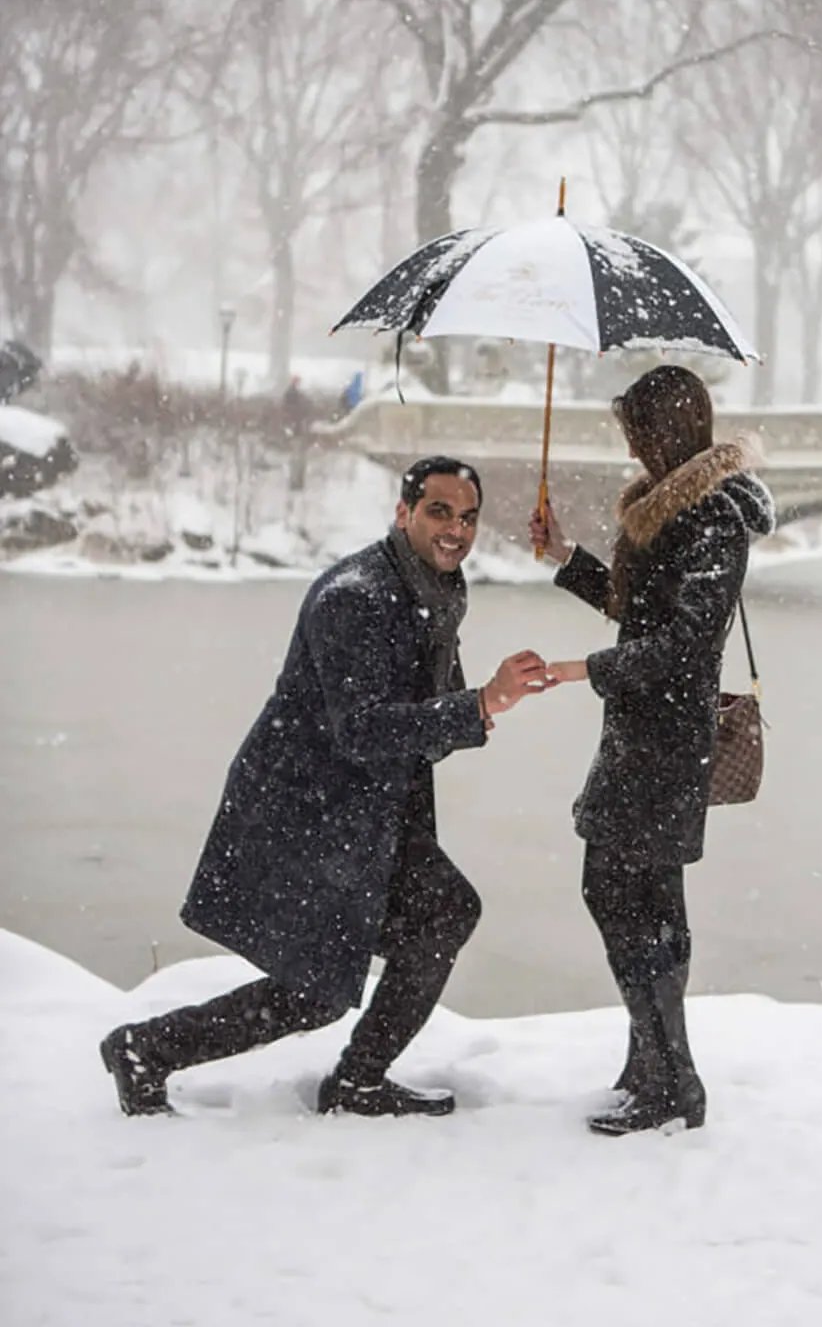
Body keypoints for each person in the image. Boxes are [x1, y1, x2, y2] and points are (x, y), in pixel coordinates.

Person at [101, 456, 549, 1118]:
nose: (456, 529)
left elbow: (429, 721)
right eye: (439, 511)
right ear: (403, 513)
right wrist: (478, 704)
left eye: (468, 516)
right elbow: (360, 730)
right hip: (303, 811)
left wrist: (482, 706)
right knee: (315, 992)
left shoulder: (436, 591)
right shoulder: (355, 597)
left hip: (365, 814)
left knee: (443, 914)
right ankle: (145, 1048)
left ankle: (356, 1080)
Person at [531, 365, 774, 1136]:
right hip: (641, 733)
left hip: (668, 742)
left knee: (632, 898)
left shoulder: (715, 517)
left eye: (639, 433)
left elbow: (685, 644)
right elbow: (638, 611)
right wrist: (566, 557)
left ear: (668, 431)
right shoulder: (666, 509)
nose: (632, 448)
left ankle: (673, 1079)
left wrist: (585, 669)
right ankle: (654, 1065)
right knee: (634, 898)